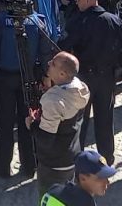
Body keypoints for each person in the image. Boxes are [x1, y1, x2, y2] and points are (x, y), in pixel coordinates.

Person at [0, 0, 54, 179]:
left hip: (3, 77)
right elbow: (46, 53)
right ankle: (29, 165)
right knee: (28, 121)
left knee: (4, 124)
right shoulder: (37, 20)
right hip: (29, 78)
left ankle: (2, 167)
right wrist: (47, 77)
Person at [58, 0, 122, 164]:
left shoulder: (79, 21)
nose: (77, 1)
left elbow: (64, 45)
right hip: (107, 77)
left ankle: (77, 157)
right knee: (105, 119)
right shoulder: (114, 19)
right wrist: (120, 70)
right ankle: (107, 157)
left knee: (79, 120)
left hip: (84, 77)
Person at [30, 51, 90, 189]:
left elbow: (45, 140)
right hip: (72, 155)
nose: (49, 63)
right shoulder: (81, 88)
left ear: (62, 74)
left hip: (54, 163)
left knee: (50, 200)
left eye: (53, 63)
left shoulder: (53, 102)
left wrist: (32, 123)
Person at [40, 149, 121, 206]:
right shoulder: (87, 204)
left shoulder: (52, 191)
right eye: (100, 178)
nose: (107, 182)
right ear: (83, 178)